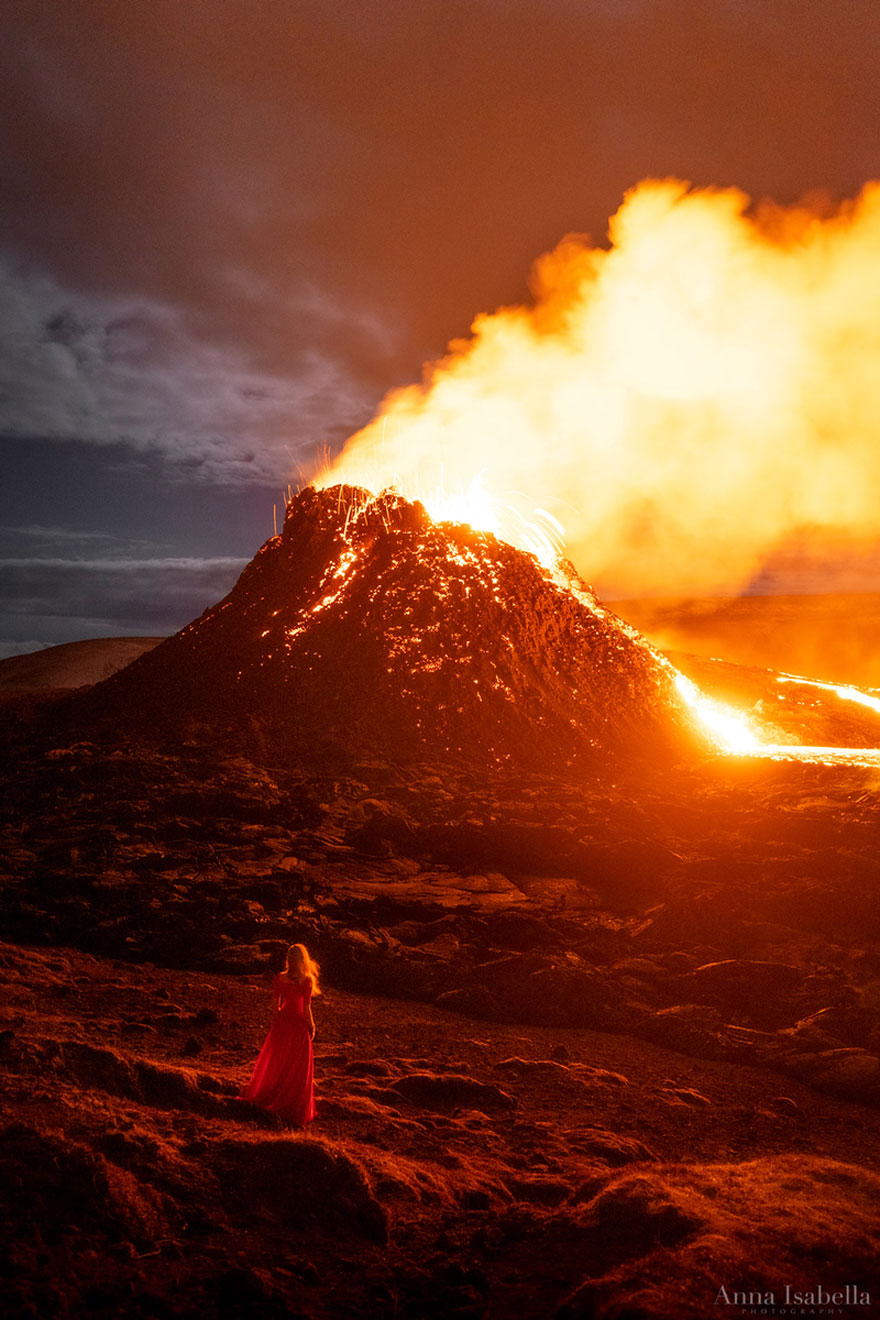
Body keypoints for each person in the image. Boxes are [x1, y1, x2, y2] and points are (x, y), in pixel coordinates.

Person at [238, 942, 319, 1125]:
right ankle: (292, 1102)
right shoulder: (306, 980)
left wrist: (280, 1020)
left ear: (289, 959)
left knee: (278, 1062)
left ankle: (273, 1094)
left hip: (283, 1023)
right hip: (299, 1024)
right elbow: (306, 1008)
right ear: (303, 960)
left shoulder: (279, 978)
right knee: (297, 1066)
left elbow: (275, 1006)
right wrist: (312, 1026)